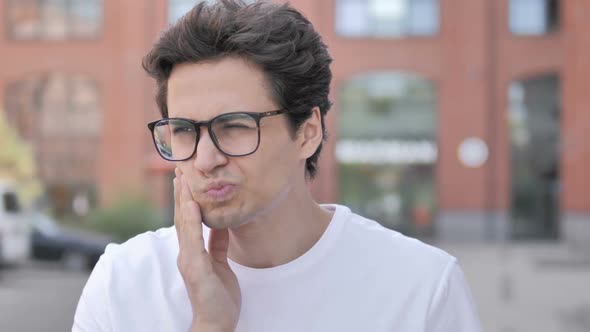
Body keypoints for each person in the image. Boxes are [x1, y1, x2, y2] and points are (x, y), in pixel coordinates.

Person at [73, 1, 482, 331]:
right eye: (183, 129)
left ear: (307, 132)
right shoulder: (123, 282)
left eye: (233, 126)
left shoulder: (422, 287)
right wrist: (211, 325)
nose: (205, 159)